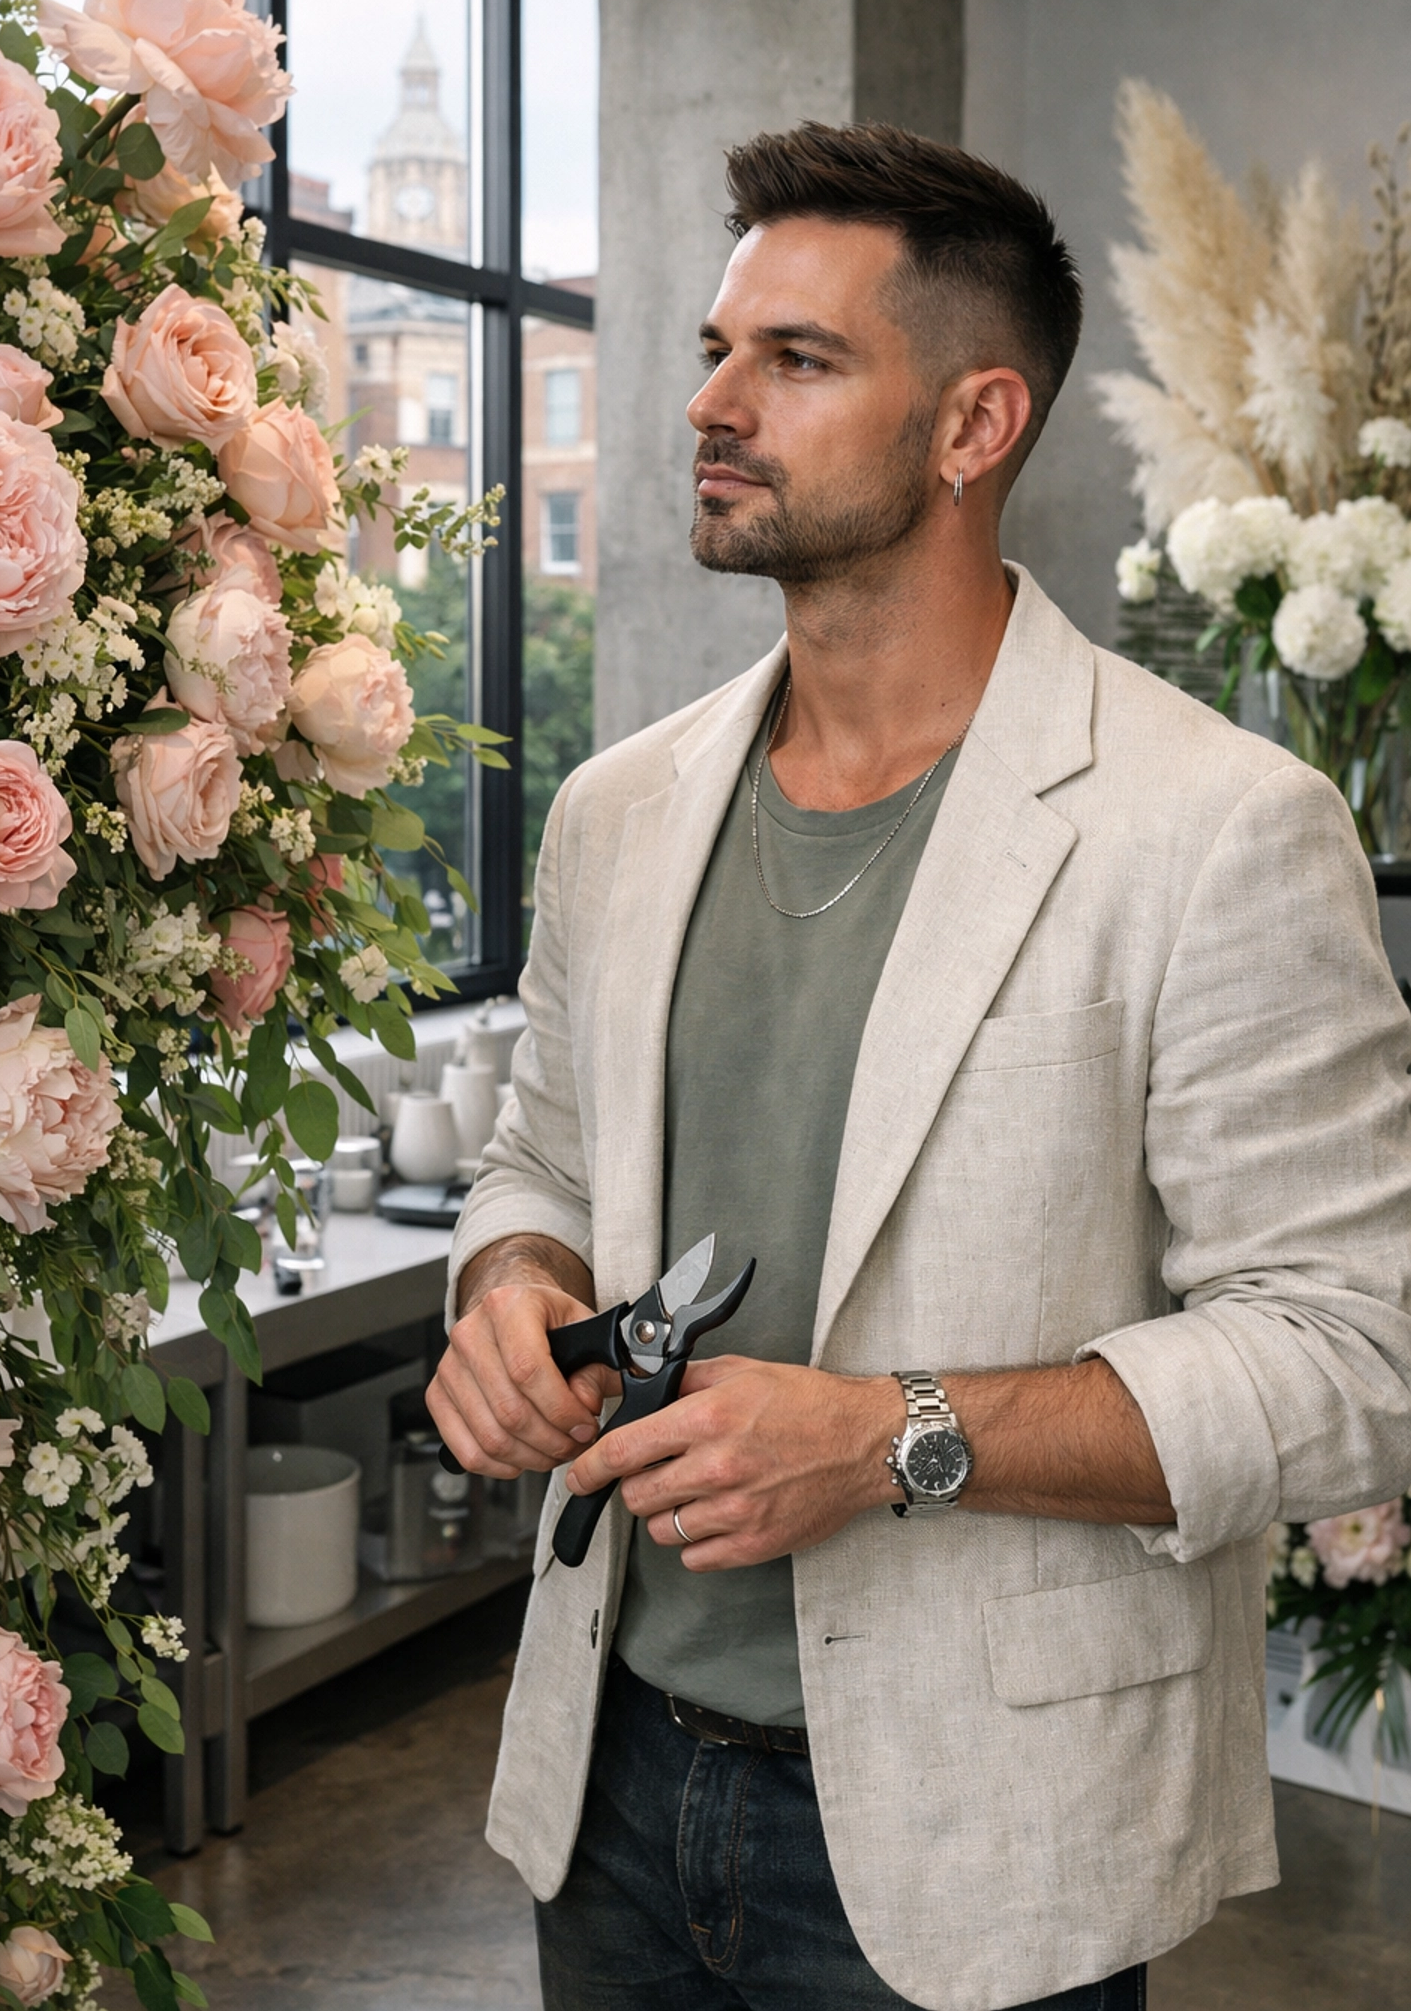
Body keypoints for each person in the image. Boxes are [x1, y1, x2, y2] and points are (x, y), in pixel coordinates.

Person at [427, 121, 1411, 2011]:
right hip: (610, 1781)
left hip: (981, 1831)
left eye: (797, 362)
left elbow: (1352, 1356)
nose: (714, 403)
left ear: (973, 427)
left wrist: (890, 1439)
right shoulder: (621, 810)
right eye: (719, 350)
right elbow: (538, 1167)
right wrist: (510, 1285)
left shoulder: (1216, 828)